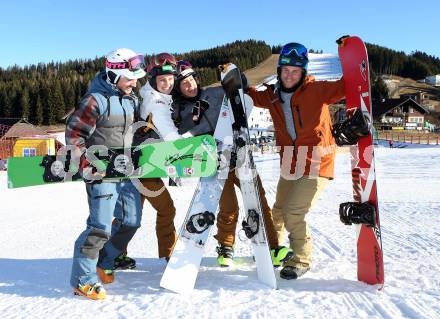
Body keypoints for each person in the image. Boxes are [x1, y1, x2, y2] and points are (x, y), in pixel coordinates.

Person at [172, 60, 293, 268]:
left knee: (258, 199)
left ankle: (273, 247)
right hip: (214, 161)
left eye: (191, 80)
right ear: (178, 88)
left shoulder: (215, 93)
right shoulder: (180, 111)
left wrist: (233, 75)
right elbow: (179, 137)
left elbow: (241, 87)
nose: (190, 85)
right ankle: (226, 246)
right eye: (184, 84)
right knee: (228, 205)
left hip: (240, 152)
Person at [247, 42, 345, 279]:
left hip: (317, 163)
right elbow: (254, 97)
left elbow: (346, 87)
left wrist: (354, 65)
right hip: (290, 162)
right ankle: (274, 249)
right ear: (279, 72)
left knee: (293, 212)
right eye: (286, 70)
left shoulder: (317, 90)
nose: (290, 75)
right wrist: (240, 85)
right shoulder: (273, 96)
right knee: (278, 211)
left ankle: (300, 258)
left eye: (295, 71)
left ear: (303, 73)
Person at [66, 48, 146, 299]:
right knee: (100, 227)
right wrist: (87, 164)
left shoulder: (131, 98)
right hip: (100, 173)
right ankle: (83, 279)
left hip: (126, 170)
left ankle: (105, 261)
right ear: (114, 75)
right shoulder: (94, 100)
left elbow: (135, 130)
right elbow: (74, 136)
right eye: (130, 77)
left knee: (131, 220)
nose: (135, 82)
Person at [136, 52, 180, 261]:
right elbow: (171, 136)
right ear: (153, 80)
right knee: (166, 209)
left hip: (147, 165)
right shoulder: (156, 103)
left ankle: (114, 254)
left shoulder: (157, 97)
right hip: (143, 168)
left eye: (171, 79)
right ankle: (169, 253)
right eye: (162, 80)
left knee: (130, 215)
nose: (168, 83)